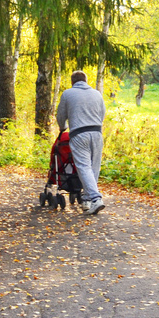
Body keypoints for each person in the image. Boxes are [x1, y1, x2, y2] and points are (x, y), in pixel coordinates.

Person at [56, 70, 106, 215]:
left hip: (79, 134)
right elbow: (102, 113)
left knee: (84, 166)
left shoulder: (67, 94)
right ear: (86, 81)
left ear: (73, 82)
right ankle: (87, 199)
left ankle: (96, 198)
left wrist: (62, 127)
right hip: (97, 132)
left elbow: (61, 115)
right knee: (94, 167)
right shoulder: (97, 94)